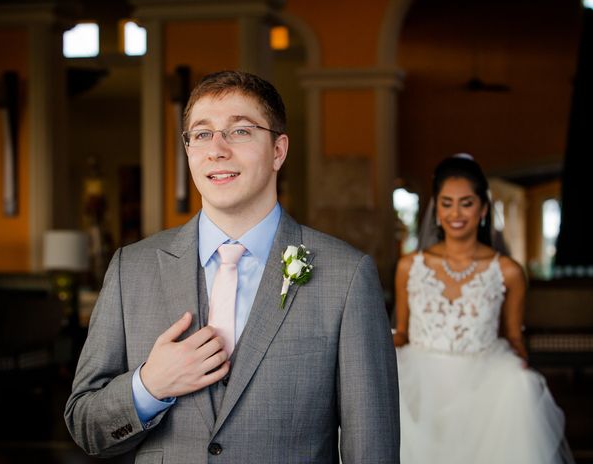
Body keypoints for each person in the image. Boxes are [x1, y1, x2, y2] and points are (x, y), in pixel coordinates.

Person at [65, 70, 400, 463]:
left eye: (240, 131)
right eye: (202, 134)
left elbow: (371, 447)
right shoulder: (131, 269)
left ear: (278, 150)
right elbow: (86, 427)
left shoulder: (346, 275)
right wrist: (148, 386)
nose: (217, 149)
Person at [394, 155, 574, 464]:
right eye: (447, 203)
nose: (456, 213)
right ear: (436, 209)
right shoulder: (410, 266)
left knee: (520, 389)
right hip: (417, 384)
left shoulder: (508, 272)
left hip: (485, 386)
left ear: (483, 209)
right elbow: (403, 333)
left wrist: (519, 371)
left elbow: (515, 338)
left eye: (466, 203)